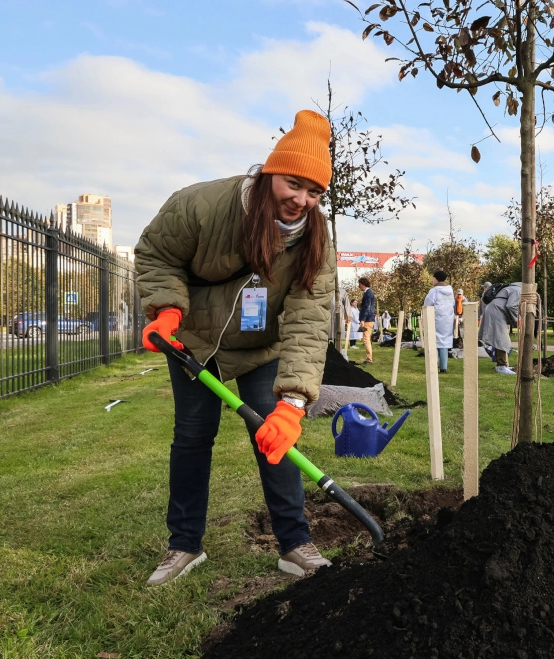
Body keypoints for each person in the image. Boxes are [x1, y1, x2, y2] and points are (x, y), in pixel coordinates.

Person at [134, 109, 336, 586]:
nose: (302, 200)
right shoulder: (202, 205)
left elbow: (309, 320)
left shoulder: (316, 242)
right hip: (196, 341)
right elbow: (156, 253)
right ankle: (184, 545)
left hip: (262, 348)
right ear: (269, 174)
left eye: (315, 192)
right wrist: (166, 310)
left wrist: (293, 403)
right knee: (191, 438)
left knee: (276, 441)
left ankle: (294, 545)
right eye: (293, 184)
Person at [479, 282, 521, 375]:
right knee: (502, 340)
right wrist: (518, 320)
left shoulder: (511, 287)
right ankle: (501, 366)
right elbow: (511, 306)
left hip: (495, 310)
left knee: (499, 339)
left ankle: (502, 364)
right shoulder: (518, 290)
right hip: (497, 311)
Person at [423, 270, 455, 373]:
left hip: (436, 319)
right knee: (444, 343)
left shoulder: (434, 291)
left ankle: (434, 365)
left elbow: (427, 304)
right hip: (448, 320)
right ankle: (443, 367)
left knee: (434, 342)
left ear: (436, 279)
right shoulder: (450, 291)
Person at [357, 276, 376, 364]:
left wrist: (363, 319)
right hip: (368, 318)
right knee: (366, 338)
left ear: (364, 284)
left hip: (368, 319)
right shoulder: (367, 293)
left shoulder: (368, 293)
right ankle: (368, 358)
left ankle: (369, 359)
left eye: (360, 284)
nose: (359, 286)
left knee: (366, 339)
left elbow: (367, 307)